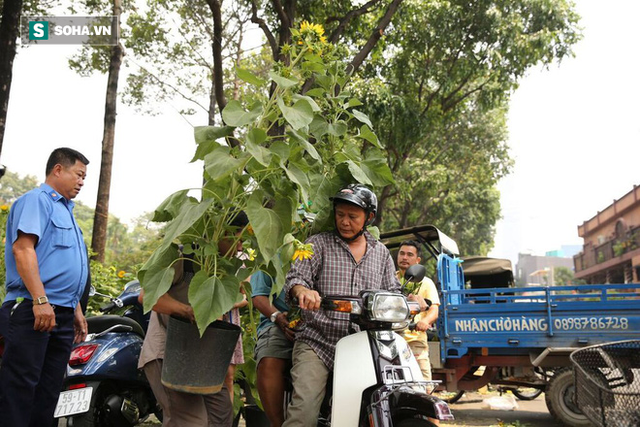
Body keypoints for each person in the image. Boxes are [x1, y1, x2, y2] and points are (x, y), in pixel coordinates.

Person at [283, 184, 409, 427]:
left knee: (378, 404)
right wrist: (304, 291)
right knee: (304, 412)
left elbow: (393, 291)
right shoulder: (318, 244)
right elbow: (296, 279)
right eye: (340, 214)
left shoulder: (381, 252)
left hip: (364, 346)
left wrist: (409, 303)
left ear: (368, 218)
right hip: (318, 341)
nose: (344, 222)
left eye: (352, 216)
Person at [0, 147, 90, 426]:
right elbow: (24, 250)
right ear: (58, 170)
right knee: (20, 390)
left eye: (85, 177)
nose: (82, 182)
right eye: (79, 174)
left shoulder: (67, 211)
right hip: (33, 309)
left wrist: (75, 309)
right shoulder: (37, 201)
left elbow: (58, 264)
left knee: (49, 391)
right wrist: (40, 301)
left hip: (60, 312)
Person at [138, 211, 250, 427]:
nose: (239, 248)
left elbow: (241, 295)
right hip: (168, 353)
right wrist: (187, 311)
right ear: (219, 232)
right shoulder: (181, 258)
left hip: (201, 356)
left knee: (221, 413)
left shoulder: (224, 267)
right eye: (236, 240)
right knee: (190, 420)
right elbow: (147, 297)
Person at [396, 240, 441, 425]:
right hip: (391, 341)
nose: (404, 257)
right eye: (401, 253)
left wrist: (424, 321)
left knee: (426, 393)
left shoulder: (425, 282)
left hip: (414, 343)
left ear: (418, 260)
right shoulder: (389, 278)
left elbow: (434, 309)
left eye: (410, 254)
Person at [251, 271, 294, 427]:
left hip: (323, 323)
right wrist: (278, 317)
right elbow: (258, 296)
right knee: (269, 359)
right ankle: (278, 423)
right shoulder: (271, 249)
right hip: (279, 322)